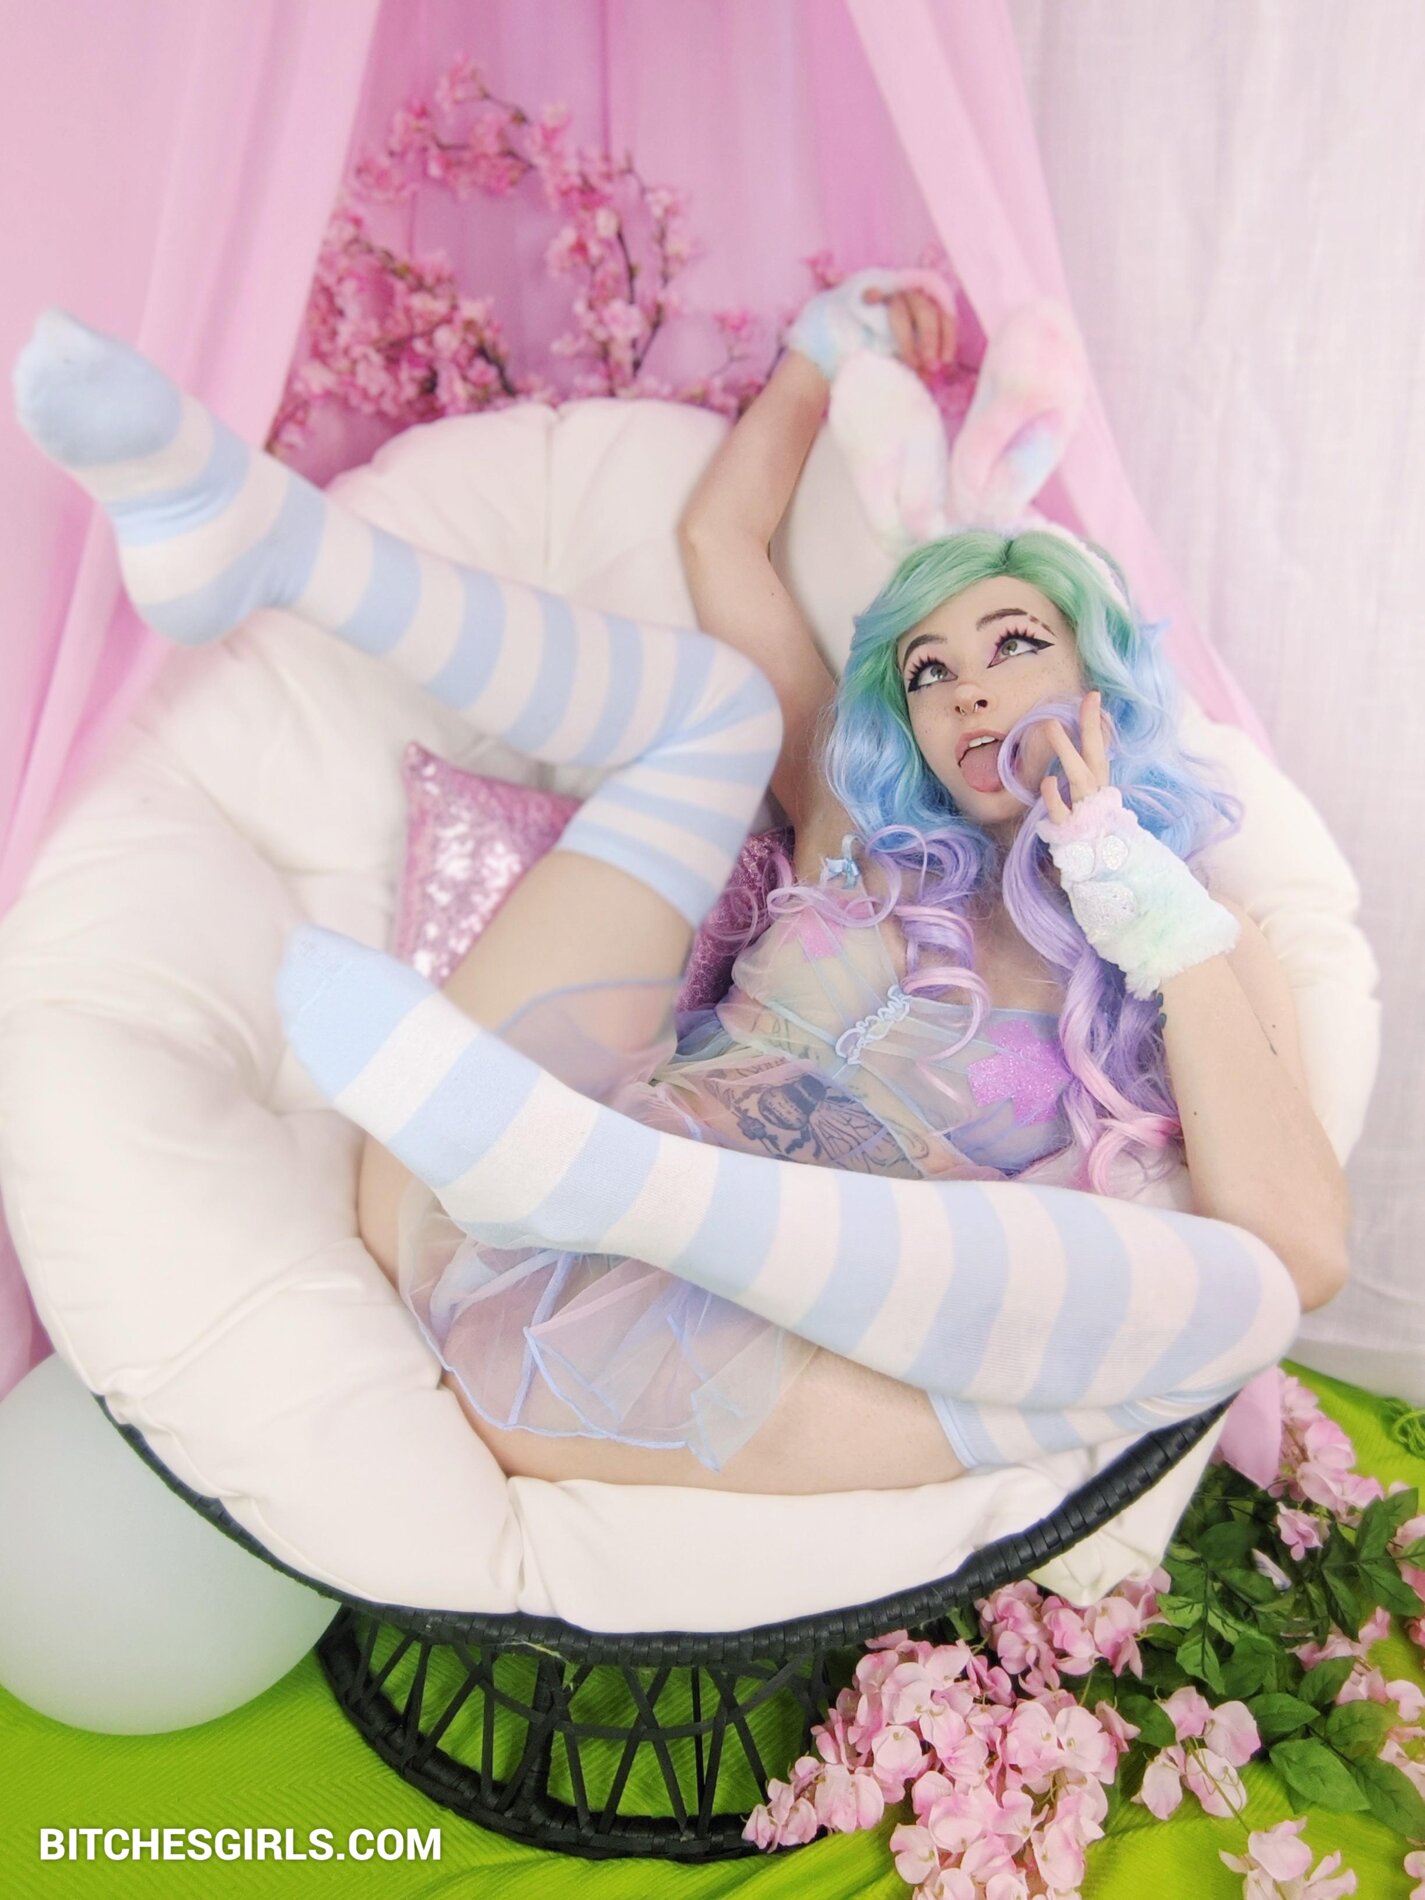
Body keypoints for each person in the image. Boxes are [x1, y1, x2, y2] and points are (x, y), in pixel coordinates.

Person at [11, 277, 1350, 1500]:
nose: (970, 693)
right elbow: (723, 541)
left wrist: (1125, 880)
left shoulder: (1198, 947)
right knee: (718, 706)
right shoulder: (859, 826)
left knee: (1223, 1301)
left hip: (724, 1372)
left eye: (1013, 645)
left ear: (1100, 677)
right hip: (489, 1227)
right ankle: (274, 542)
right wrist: (824, 350)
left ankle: (622, 1188)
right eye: (930, 671)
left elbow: (1292, 1252)